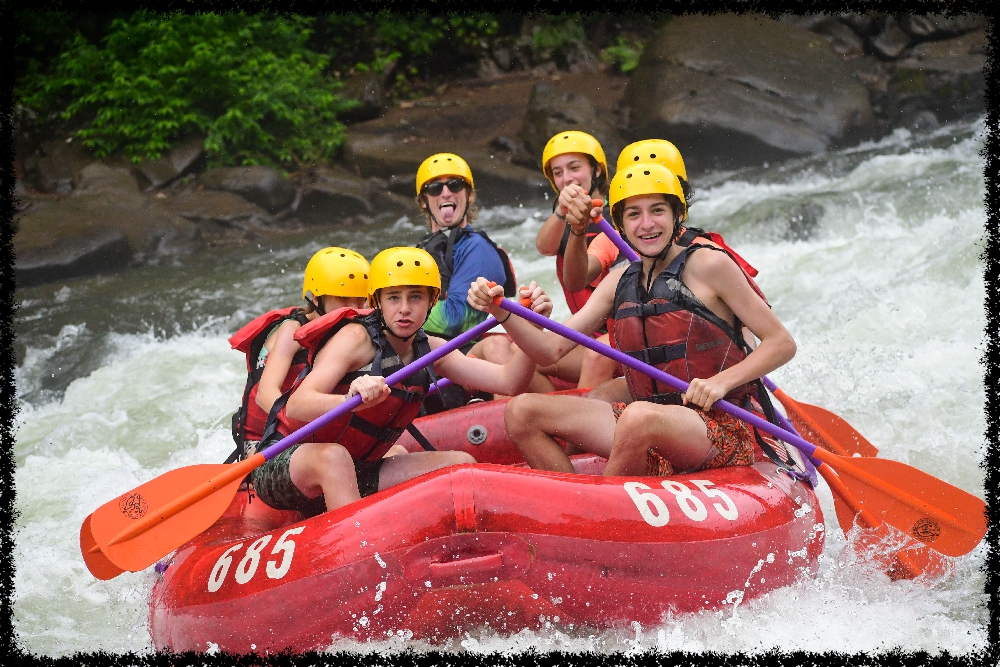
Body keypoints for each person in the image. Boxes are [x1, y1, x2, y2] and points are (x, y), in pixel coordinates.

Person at [468, 162, 797, 478]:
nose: (647, 224)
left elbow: (781, 343)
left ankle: (604, 520)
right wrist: (503, 312)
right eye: (634, 214)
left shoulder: (710, 265)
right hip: (645, 423)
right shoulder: (619, 280)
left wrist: (721, 382)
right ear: (621, 226)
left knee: (638, 417)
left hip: (718, 427)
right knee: (522, 411)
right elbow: (549, 351)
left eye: (657, 210)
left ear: (676, 216)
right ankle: (572, 509)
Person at [250, 247, 543, 515]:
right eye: (393, 298)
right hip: (284, 465)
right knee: (334, 458)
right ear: (377, 302)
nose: (404, 308)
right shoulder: (355, 339)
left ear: (431, 301)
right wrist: (350, 400)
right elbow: (296, 405)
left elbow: (509, 381)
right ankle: (359, 554)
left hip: (360, 468)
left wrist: (529, 325)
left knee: (460, 465)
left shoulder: (431, 349)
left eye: (415, 296)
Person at [411, 153, 551, 407]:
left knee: (496, 344)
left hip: (464, 355)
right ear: (423, 201)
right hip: (423, 356)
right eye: (434, 188)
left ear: (470, 195)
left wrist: (392, 311)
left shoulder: (477, 248)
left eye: (454, 185)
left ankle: (509, 422)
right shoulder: (419, 253)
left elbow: (456, 320)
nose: (445, 193)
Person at [227, 247, 373, 463]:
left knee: (395, 451)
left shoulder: (349, 335)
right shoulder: (291, 330)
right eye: (343, 298)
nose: (353, 308)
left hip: (307, 433)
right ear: (316, 297)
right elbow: (265, 393)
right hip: (263, 438)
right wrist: (302, 426)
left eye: (360, 299)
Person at [532, 130, 621, 389]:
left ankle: (573, 419)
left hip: (618, 338)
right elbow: (544, 247)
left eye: (574, 168)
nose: (567, 178)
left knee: (597, 355)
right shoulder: (561, 217)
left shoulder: (619, 214)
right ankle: (552, 424)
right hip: (588, 335)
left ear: (595, 171)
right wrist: (561, 210)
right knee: (525, 359)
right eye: (558, 173)